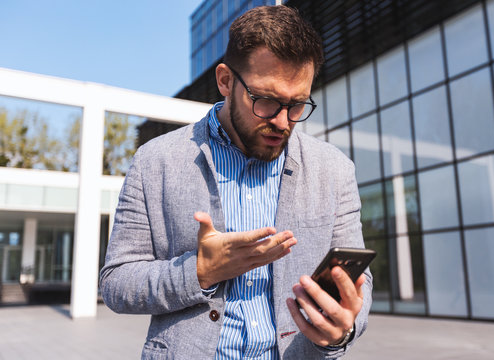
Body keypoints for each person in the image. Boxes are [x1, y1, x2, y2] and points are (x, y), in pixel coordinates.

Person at [100, 5, 372, 359]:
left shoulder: (335, 170)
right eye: (266, 100)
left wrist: (342, 330)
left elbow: (359, 283)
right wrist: (200, 271)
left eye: (296, 105)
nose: (282, 121)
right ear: (226, 80)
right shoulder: (155, 161)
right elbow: (116, 283)